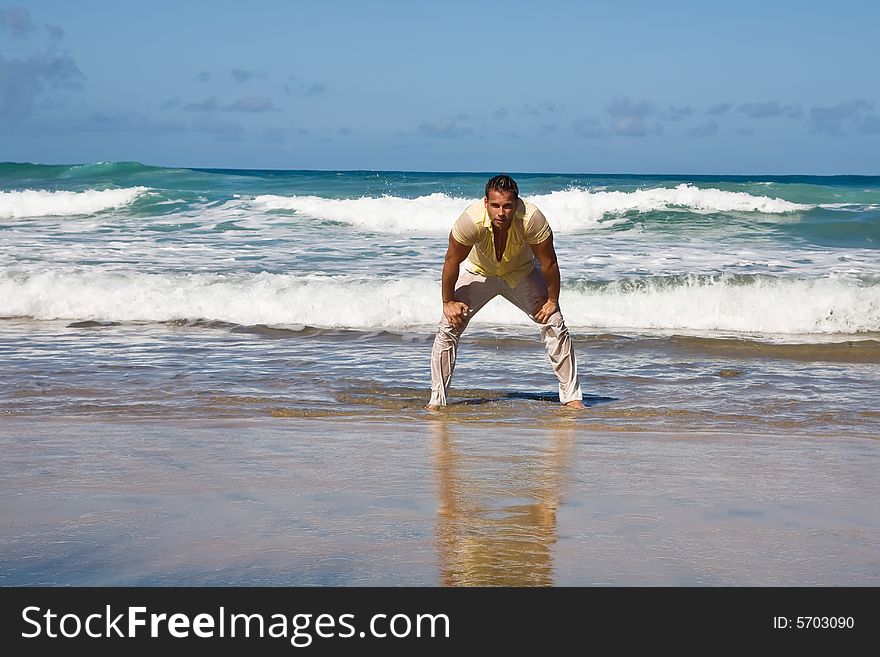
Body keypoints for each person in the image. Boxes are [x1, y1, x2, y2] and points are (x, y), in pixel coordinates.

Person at [427, 174, 585, 410]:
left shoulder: (532, 219)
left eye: (507, 206)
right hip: (480, 271)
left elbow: (549, 262)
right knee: (449, 325)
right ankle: (436, 401)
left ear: (516, 204)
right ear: (486, 203)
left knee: (553, 321)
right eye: (496, 206)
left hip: (521, 272)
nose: (501, 212)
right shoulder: (470, 221)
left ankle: (572, 398)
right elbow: (451, 260)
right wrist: (447, 301)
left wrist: (552, 300)